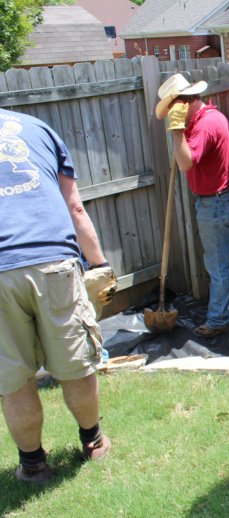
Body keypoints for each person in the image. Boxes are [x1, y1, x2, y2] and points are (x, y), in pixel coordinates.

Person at [0, 108, 113, 485]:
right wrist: (100, 263)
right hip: (52, 262)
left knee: (14, 378)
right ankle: (94, 443)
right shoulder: (38, 129)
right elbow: (75, 207)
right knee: (75, 364)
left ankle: (33, 466)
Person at [156, 73, 229, 338]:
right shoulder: (210, 118)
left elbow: (185, 162)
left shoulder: (205, 125)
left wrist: (177, 131)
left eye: (172, 109)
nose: (170, 115)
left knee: (217, 264)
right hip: (226, 199)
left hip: (216, 205)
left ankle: (220, 319)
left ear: (182, 103)